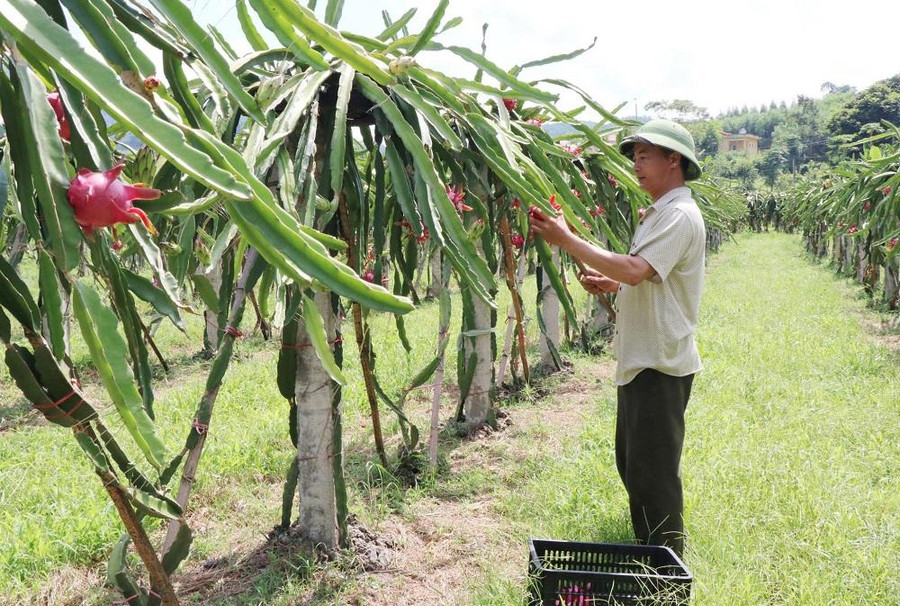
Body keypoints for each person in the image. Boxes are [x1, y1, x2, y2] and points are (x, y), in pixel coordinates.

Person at [529, 119, 706, 557]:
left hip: (659, 363)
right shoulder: (660, 213)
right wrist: (614, 284)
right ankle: (652, 554)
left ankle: (664, 572)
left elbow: (636, 269)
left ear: (674, 160)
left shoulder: (678, 215)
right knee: (634, 464)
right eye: (635, 157)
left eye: (645, 156)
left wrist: (566, 239)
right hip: (643, 358)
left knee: (653, 475)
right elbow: (648, 276)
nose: (636, 165)